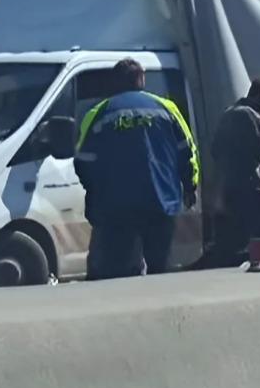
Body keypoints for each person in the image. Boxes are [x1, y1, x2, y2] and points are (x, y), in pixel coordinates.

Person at [74, 59, 198, 280]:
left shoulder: (99, 112)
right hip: (162, 201)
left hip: (117, 206)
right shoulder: (166, 109)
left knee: (120, 272)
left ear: (115, 81)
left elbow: (83, 161)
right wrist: (190, 185)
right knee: (160, 267)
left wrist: (95, 192)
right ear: (141, 79)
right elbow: (187, 152)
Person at [209, 76, 260, 266]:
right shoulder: (254, 116)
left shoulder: (229, 113)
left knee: (232, 232)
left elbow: (215, 149)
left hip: (229, 183)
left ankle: (227, 262)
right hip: (252, 183)